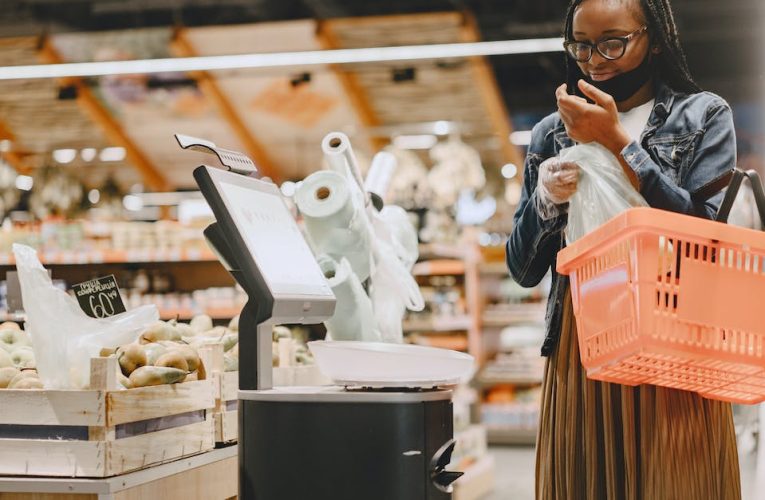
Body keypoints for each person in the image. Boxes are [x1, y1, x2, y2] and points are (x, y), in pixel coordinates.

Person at [506, 0, 741, 498]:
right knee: (587, 483)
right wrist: (546, 201)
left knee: (676, 481)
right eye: (581, 45)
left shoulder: (703, 115)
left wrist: (616, 142)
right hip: (583, 339)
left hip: (674, 338)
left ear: (653, 36)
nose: (595, 60)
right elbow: (522, 268)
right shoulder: (551, 132)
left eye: (613, 42)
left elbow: (705, 237)